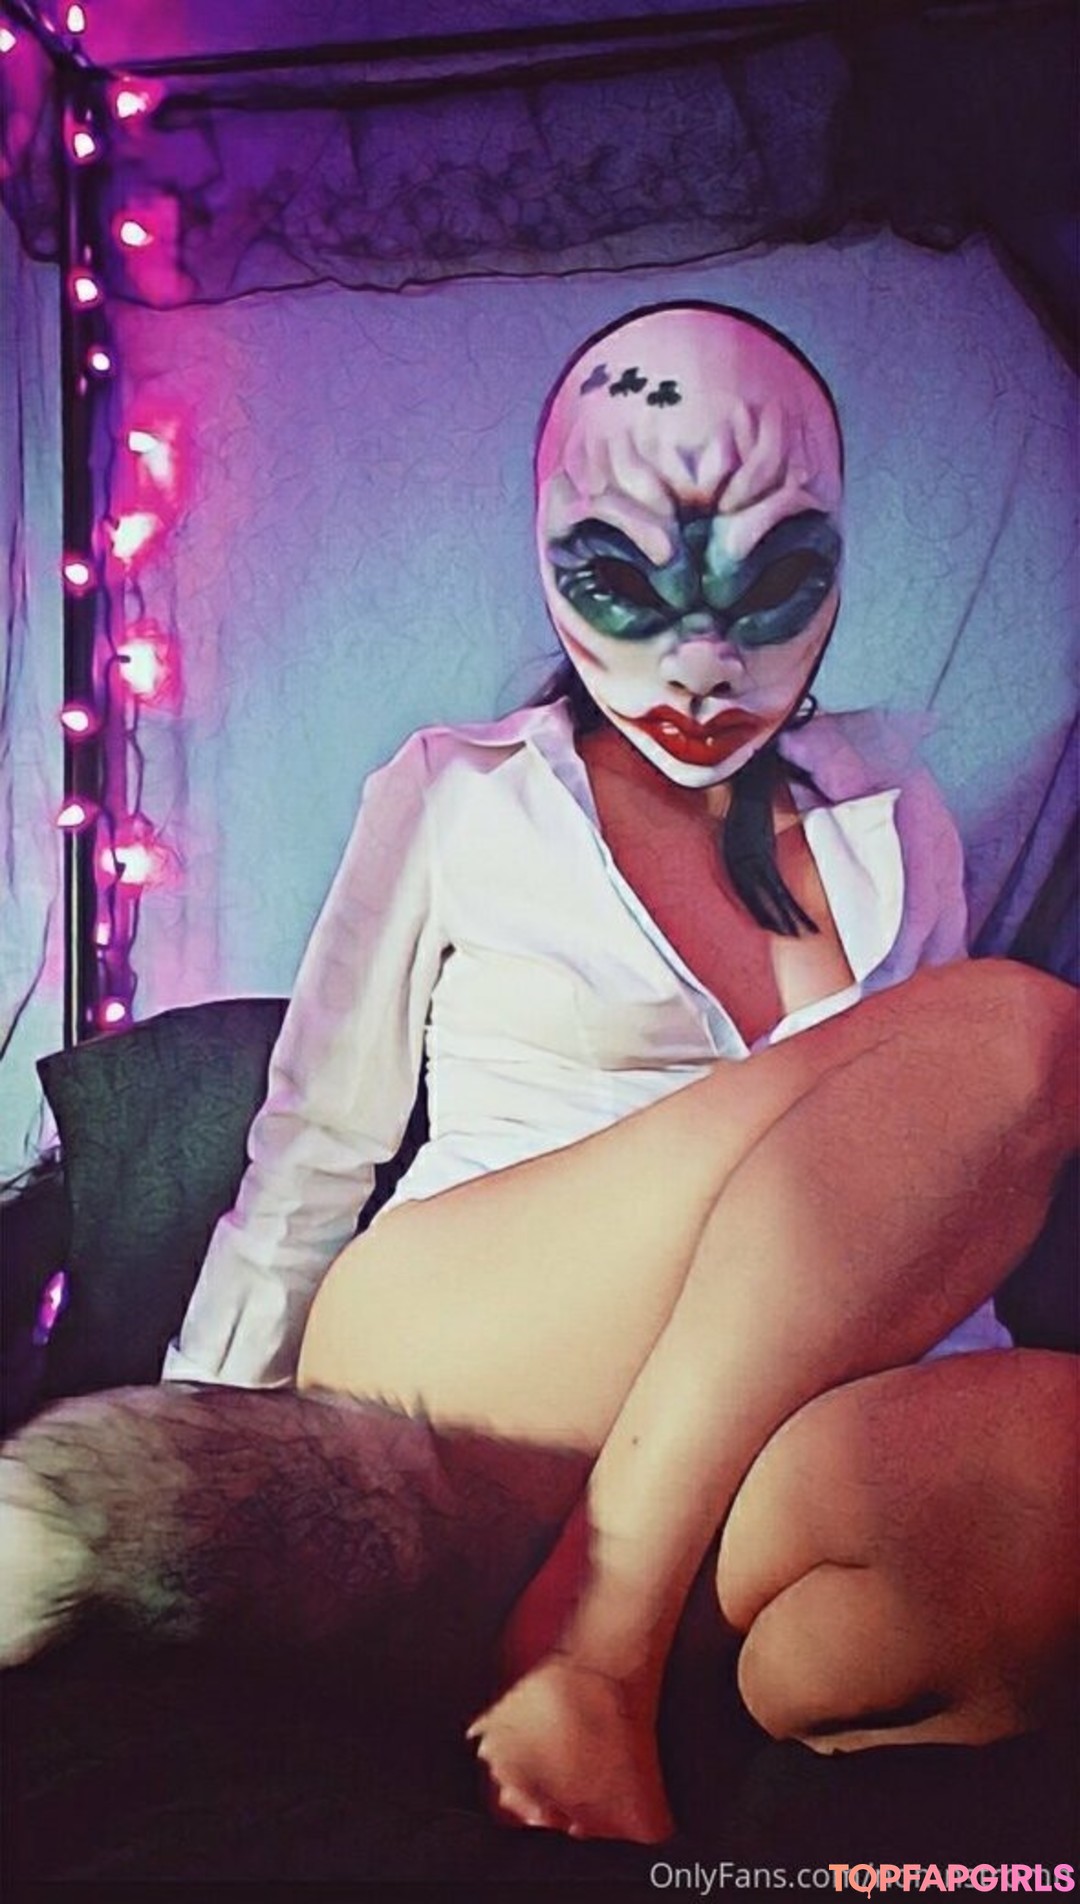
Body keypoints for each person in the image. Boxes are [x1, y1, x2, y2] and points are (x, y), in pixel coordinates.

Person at [163, 304, 1076, 1843]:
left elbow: (927, 1188)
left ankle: (705, 1650)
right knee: (1017, 1037)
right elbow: (310, 1152)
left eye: (767, 584)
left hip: (747, 1443)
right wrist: (207, 1474)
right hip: (468, 1358)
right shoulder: (462, 796)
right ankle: (595, 1644)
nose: (701, 667)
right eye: (628, 583)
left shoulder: (893, 817)